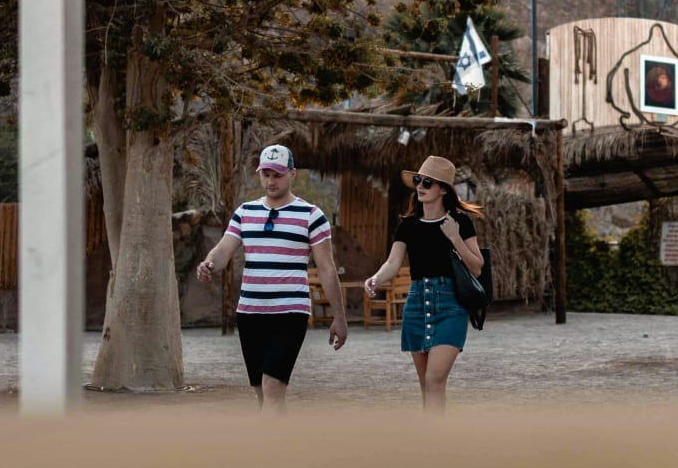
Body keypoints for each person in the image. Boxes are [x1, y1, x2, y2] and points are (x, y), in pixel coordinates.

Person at [196, 144, 347, 411]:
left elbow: (327, 267)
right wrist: (209, 263)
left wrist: (339, 317)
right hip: (250, 312)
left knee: (272, 387)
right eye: (266, 174)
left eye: (277, 174)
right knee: (261, 393)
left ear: (292, 174)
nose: (271, 180)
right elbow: (223, 249)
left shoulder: (312, 216)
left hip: (290, 312)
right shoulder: (245, 212)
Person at [363, 155, 485, 413]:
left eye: (427, 182)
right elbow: (393, 262)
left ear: (443, 189)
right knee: (426, 385)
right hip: (417, 303)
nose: (419, 186)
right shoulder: (408, 225)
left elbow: (477, 266)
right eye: (418, 180)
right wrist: (376, 278)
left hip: (451, 305)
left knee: (434, 381)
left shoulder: (460, 222)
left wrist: (454, 238)